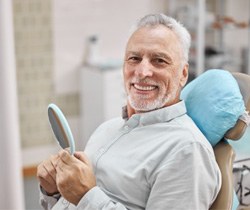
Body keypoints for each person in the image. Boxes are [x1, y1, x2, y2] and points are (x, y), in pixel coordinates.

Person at [37, 13, 221, 209]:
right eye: (134, 58)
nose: (141, 72)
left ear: (183, 74)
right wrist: (54, 192)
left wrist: (86, 196)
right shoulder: (107, 129)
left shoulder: (187, 150)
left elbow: (84, 199)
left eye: (159, 60)